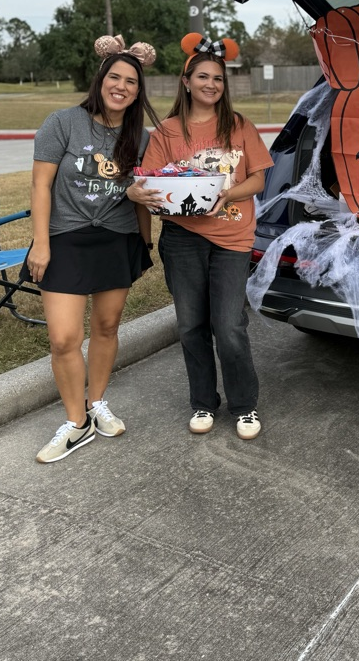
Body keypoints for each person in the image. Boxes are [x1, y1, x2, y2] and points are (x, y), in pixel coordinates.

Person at [129, 33, 273, 439]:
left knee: (228, 325)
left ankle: (244, 405)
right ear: (186, 81)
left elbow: (259, 178)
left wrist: (227, 191)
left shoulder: (239, 125)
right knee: (191, 324)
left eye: (219, 79)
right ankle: (203, 402)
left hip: (232, 239)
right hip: (182, 239)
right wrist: (145, 192)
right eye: (203, 77)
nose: (211, 84)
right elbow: (153, 183)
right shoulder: (167, 132)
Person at [27, 35, 159, 464]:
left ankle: (97, 402)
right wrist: (41, 246)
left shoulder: (140, 136)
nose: (122, 87)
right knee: (64, 339)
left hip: (116, 239)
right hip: (64, 239)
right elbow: (41, 186)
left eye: (132, 82)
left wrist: (145, 242)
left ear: (139, 92)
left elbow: (140, 192)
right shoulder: (62, 123)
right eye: (115, 77)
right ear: (101, 78)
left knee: (106, 327)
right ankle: (76, 422)